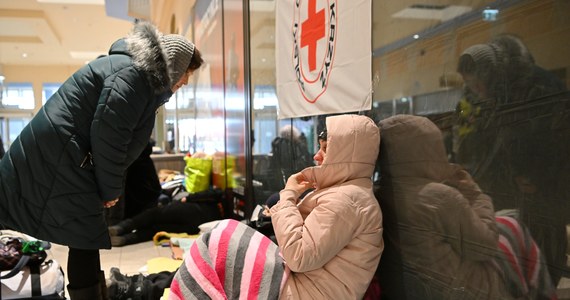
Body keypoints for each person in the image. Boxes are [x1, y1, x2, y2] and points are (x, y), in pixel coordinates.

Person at [0, 21, 204, 299]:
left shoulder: (135, 75)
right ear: (175, 67)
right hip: (62, 159)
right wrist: (109, 190)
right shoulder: (132, 76)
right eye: (185, 76)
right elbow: (110, 139)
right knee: (83, 235)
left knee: (85, 235)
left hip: (66, 158)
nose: (185, 83)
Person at [169, 114, 383, 299]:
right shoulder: (347, 194)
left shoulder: (349, 200)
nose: (316, 156)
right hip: (306, 282)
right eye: (319, 148)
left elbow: (299, 255)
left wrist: (288, 196)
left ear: (348, 156)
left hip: (307, 291)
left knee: (220, 239)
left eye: (326, 150)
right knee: (222, 240)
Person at [376, 114, 556, 300]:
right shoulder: (439, 197)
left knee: (507, 222)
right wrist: (475, 194)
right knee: (514, 228)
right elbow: (484, 246)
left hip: (412, 290)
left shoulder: (379, 194)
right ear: (429, 151)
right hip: (466, 291)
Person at [453, 34, 569, 285]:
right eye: (470, 86)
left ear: (492, 75)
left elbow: (559, 143)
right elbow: (460, 133)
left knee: (542, 260)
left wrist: (538, 177)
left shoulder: (540, 86)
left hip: (539, 191)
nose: (476, 91)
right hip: (496, 187)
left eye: (478, 85)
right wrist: (462, 150)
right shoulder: (469, 97)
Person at [266, 124, 315, 191]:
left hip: (281, 185)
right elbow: (307, 163)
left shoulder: (277, 146)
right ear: (294, 134)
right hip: (298, 182)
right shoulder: (298, 146)